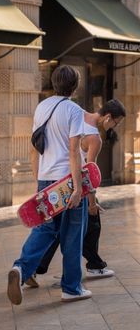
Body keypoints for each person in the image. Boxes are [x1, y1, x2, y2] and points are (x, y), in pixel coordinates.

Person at [7, 65, 90, 305]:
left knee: (44, 229)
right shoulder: (74, 110)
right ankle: (71, 288)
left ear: (54, 83)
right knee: (73, 234)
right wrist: (77, 187)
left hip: (46, 178)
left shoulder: (41, 107)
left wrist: (39, 181)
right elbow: (74, 151)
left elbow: (34, 147)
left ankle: (21, 269)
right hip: (67, 179)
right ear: (75, 86)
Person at [32, 99, 126, 282]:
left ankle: (35, 267)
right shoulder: (95, 139)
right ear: (108, 118)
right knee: (89, 226)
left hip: (57, 180)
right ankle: (91, 268)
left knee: (57, 230)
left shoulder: (79, 114)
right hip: (76, 187)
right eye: (116, 123)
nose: (114, 127)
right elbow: (89, 173)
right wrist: (92, 202)